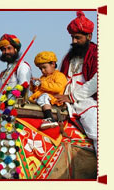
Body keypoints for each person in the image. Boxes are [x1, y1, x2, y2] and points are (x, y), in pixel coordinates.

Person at [54, 11, 97, 152]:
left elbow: (96, 82)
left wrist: (71, 97)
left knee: (96, 131)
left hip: (88, 101)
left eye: (77, 38)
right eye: (72, 37)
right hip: (65, 100)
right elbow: (59, 78)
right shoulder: (68, 57)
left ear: (89, 36)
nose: (74, 41)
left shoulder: (97, 54)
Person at [29, 51, 68, 129]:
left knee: (44, 96)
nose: (42, 71)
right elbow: (37, 92)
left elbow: (58, 88)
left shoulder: (59, 75)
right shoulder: (42, 77)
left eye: (44, 67)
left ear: (53, 64)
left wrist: (42, 84)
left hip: (55, 99)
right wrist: (34, 86)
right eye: (40, 69)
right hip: (43, 99)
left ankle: (50, 118)